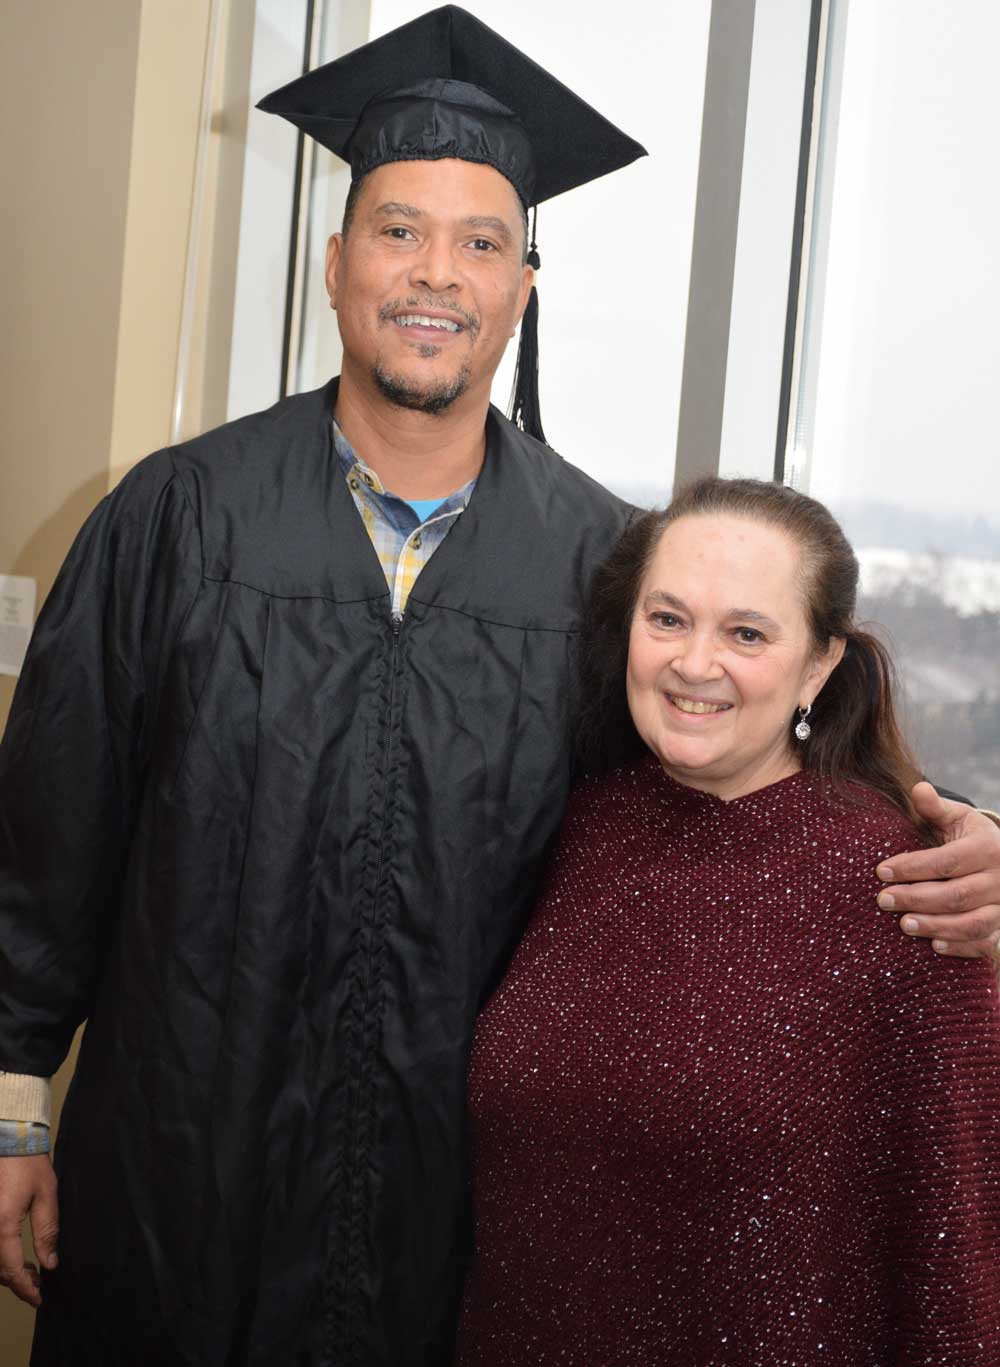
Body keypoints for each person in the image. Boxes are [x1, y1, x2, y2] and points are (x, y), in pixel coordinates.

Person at [0, 7, 998, 1365]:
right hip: (177, 1174)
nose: (437, 272)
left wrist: (958, 836)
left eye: (482, 242)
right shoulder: (176, 519)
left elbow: (719, 790)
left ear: (522, 285)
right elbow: (49, 829)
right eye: (400, 230)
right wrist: (14, 1106)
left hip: (460, 1219)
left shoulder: (599, 561)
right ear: (337, 260)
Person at [454, 478, 1000, 1365]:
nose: (694, 662)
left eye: (746, 632)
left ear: (820, 664)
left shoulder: (913, 894)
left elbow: (958, 1291)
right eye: (667, 619)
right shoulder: (565, 828)